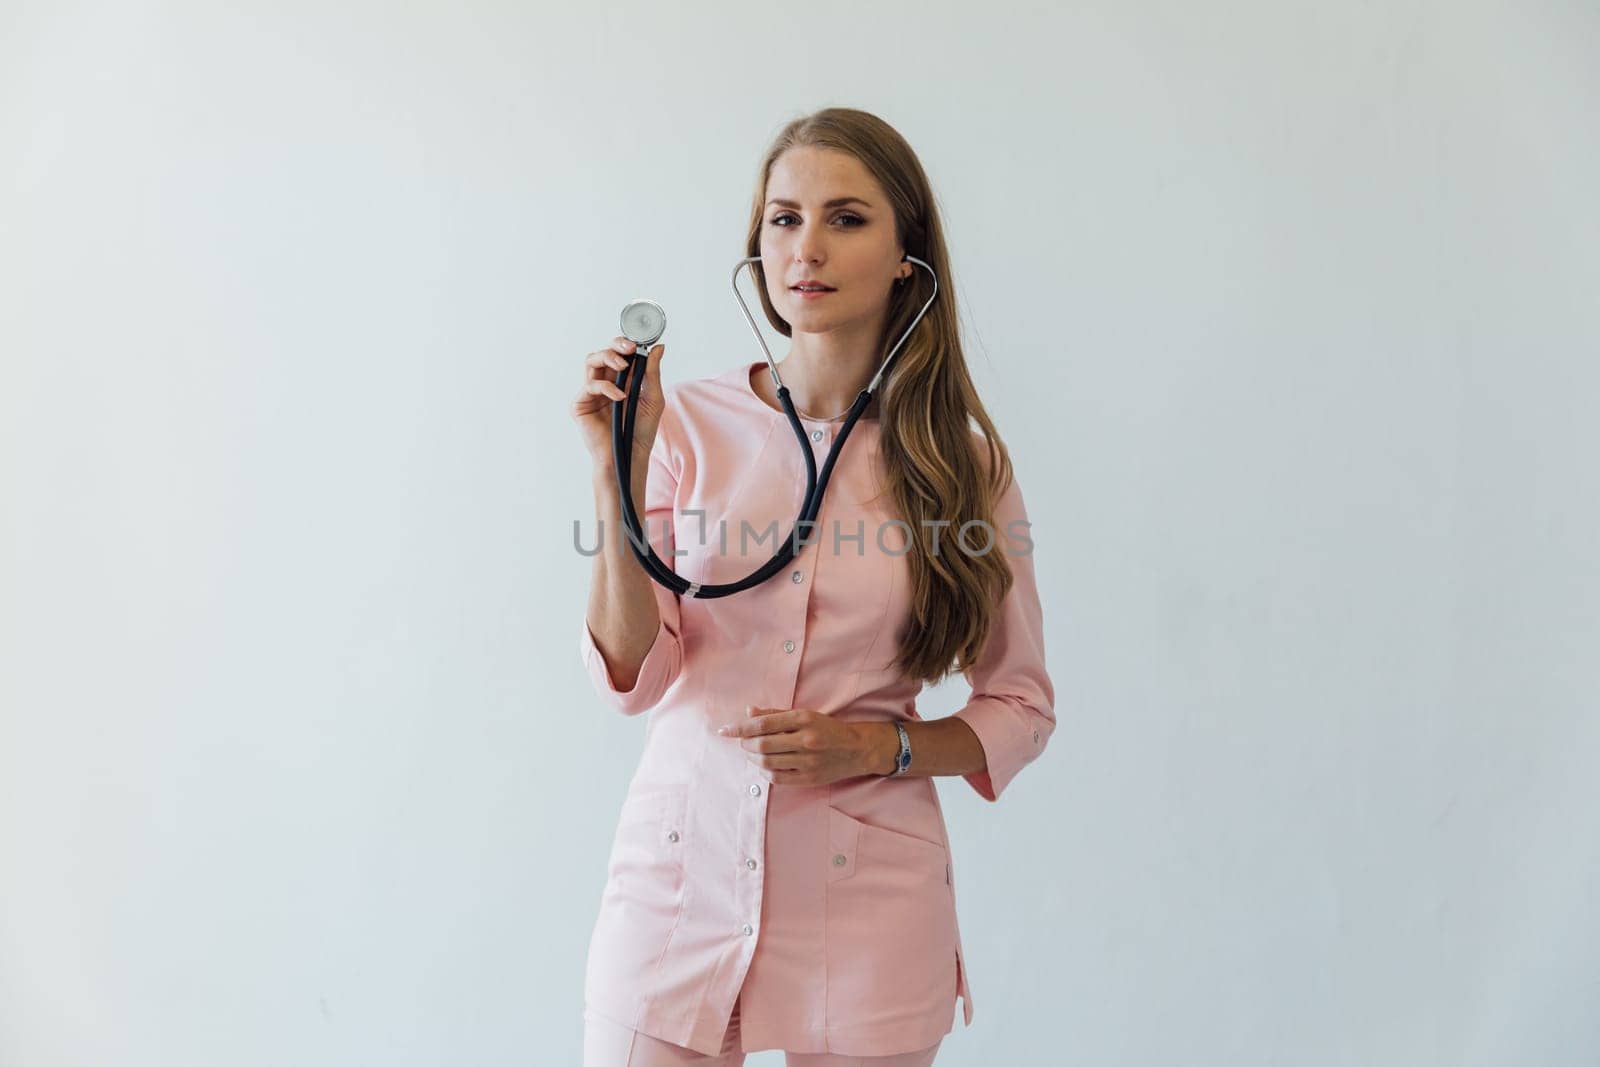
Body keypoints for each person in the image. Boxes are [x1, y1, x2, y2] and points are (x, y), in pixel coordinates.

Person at [570, 107, 1055, 1066]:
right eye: (784, 218)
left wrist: (877, 745)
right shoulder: (688, 424)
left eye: (846, 217)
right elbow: (634, 670)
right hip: (679, 888)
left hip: (868, 908)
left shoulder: (962, 466)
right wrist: (613, 475)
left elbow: (1022, 706)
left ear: (907, 256)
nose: (807, 248)